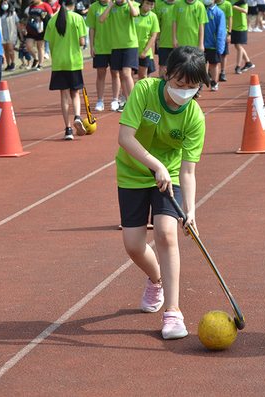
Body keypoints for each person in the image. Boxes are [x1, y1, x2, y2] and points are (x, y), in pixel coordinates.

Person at [115, 46, 210, 340]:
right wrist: (156, 165)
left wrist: (191, 211)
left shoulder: (194, 117)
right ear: (167, 75)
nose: (185, 92)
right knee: (133, 245)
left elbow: (189, 171)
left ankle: (173, 312)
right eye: (180, 84)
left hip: (170, 178)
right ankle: (155, 280)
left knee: (166, 234)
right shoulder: (144, 90)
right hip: (132, 173)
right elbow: (125, 137)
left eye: (193, 87)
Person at [44, 0, 88, 140]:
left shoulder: (52, 21)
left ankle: (68, 129)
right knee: (75, 93)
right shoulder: (77, 18)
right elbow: (82, 42)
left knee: (64, 96)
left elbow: (49, 43)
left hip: (59, 63)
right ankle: (77, 116)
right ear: (73, 4)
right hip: (74, 61)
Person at [99, 0, 140, 112]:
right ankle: (127, 101)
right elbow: (101, 19)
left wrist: (129, 2)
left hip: (130, 44)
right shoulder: (112, 7)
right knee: (121, 75)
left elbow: (135, 14)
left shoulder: (132, 4)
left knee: (127, 74)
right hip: (116, 45)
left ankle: (133, 102)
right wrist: (110, 5)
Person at [86, 0, 114, 111]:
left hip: (115, 46)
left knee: (115, 74)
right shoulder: (94, 7)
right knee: (100, 74)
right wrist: (92, 46)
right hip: (100, 46)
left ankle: (115, 100)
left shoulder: (115, 5)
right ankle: (100, 101)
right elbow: (92, 27)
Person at [203, 0, 226, 90]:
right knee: (201, 64)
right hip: (201, 44)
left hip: (213, 44)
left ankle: (214, 82)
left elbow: (221, 31)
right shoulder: (201, 9)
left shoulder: (219, 12)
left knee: (214, 64)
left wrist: (220, 46)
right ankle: (201, 82)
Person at [135, 0, 159, 80]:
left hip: (144, 50)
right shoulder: (135, 13)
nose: (149, 6)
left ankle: (144, 92)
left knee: (143, 76)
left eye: (152, 4)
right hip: (132, 49)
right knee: (128, 74)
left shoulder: (153, 17)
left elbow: (153, 36)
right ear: (142, 2)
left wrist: (145, 51)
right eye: (147, 3)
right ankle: (128, 92)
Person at [26, 0, 53, 70]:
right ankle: (36, 58)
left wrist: (42, 18)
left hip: (41, 29)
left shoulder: (45, 5)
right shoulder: (32, 5)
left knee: (40, 47)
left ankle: (40, 64)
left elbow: (51, 16)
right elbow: (29, 16)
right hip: (31, 28)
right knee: (28, 45)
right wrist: (25, 28)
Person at [153, 0, 178, 77]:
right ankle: (161, 85)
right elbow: (158, 25)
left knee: (178, 67)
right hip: (164, 42)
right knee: (163, 65)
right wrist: (157, 39)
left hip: (178, 42)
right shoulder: (161, 6)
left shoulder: (180, 4)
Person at [231, 0, 255, 74]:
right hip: (233, 26)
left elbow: (245, 10)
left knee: (238, 46)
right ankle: (248, 62)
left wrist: (235, 7)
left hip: (241, 26)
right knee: (237, 46)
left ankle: (238, 66)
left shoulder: (242, 1)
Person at [0, 0, 22, 71]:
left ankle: (13, 62)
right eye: (3, 3)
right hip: (3, 34)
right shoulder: (0, 14)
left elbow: (17, 23)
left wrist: (20, 33)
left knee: (10, 48)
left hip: (11, 34)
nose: (4, 5)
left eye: (5, 3)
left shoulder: (13, 14)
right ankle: (8, 64)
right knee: (5, 49)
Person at [215, 0, 232, 82]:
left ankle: (222, 72)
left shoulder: (227, 4)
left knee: (223, 54)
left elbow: (230, 18)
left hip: (223, 33)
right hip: (212, 34)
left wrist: (229, 33)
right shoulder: (211, 4)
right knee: (210, 54)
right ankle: (210, 73)